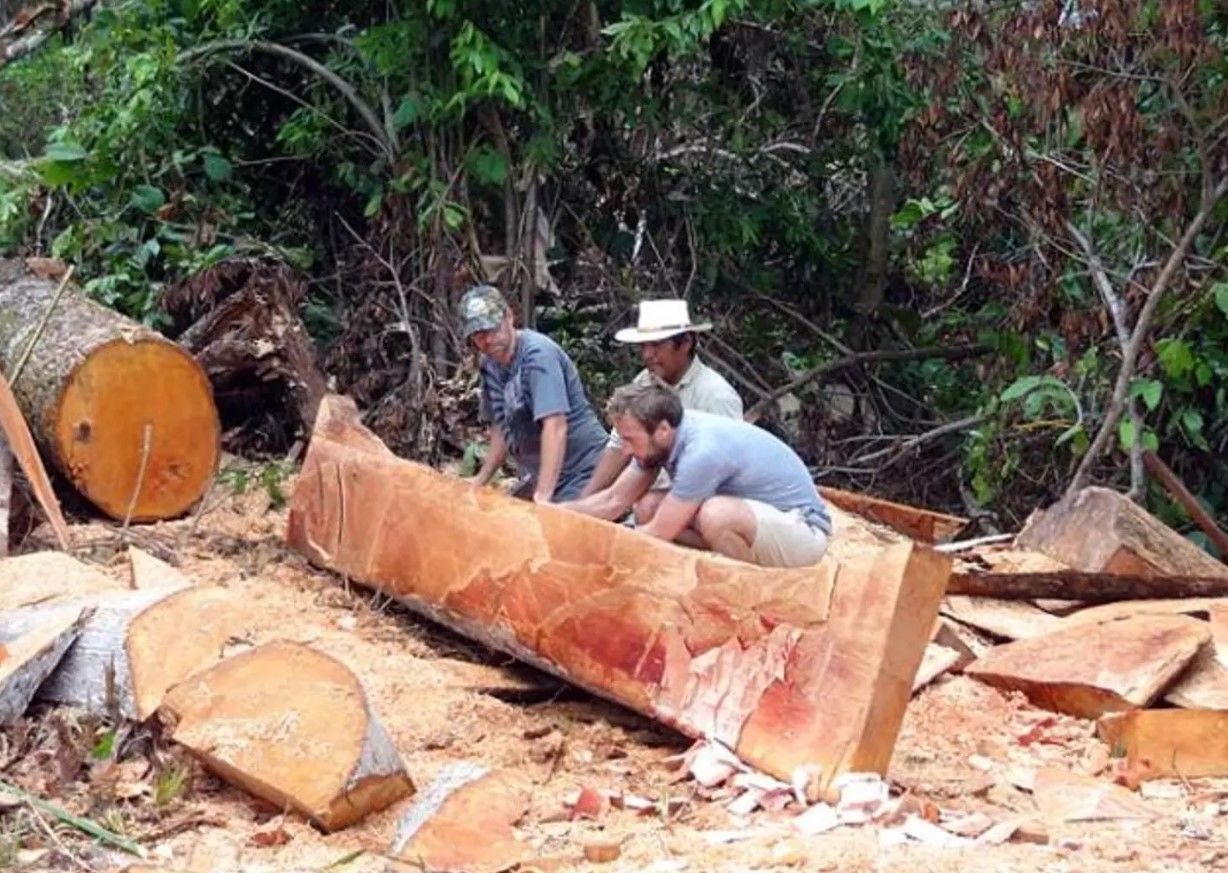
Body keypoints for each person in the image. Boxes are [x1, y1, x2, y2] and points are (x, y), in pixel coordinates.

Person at [561, 383, 831, 567]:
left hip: (803, 531)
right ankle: (712, 571)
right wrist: (551, 514)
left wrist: (597, 551)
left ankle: (746, 589)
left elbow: (658, 532)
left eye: (631, 440)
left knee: (716, 514)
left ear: (663, 430)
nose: (627, 451)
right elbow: (612, 501)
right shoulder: (658, 440)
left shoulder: (702, 451)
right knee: (647, 507)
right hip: (758, 521)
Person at [581, 299, 743, 524]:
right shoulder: (644, 382)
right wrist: (586, 501)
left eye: (657, 345)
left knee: (648, 509)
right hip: (645, 496)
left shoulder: (715, 395)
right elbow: (618, 447)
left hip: (703, 505)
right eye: (644, 346)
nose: (648, 354)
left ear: (685, 343)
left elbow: (725, 472)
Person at [460, 284, 607, 502]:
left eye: (491, 330)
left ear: (509, 316)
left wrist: (543, 496)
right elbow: (501, 425)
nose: (487, 340)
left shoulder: (537, 355)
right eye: (478, 335)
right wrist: (482, 479)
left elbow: (555, 425)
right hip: (540, 475)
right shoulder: (490, 364)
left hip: (583, 470)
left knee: (558, 529)